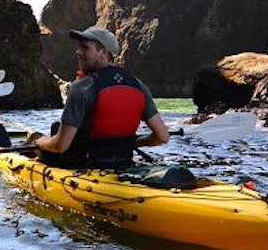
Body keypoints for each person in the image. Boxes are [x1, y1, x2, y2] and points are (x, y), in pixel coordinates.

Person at [33, 26, 169, 169]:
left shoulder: (81, 87)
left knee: (38, 137)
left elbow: (60, 146)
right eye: (79, 48)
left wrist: (39, 142)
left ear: (103, 51)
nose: (78, 52)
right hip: (122, 163)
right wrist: (132, 142)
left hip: (81, 165)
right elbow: (162, 137)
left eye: (85, 48)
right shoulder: (138, 85)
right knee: (56, 128)